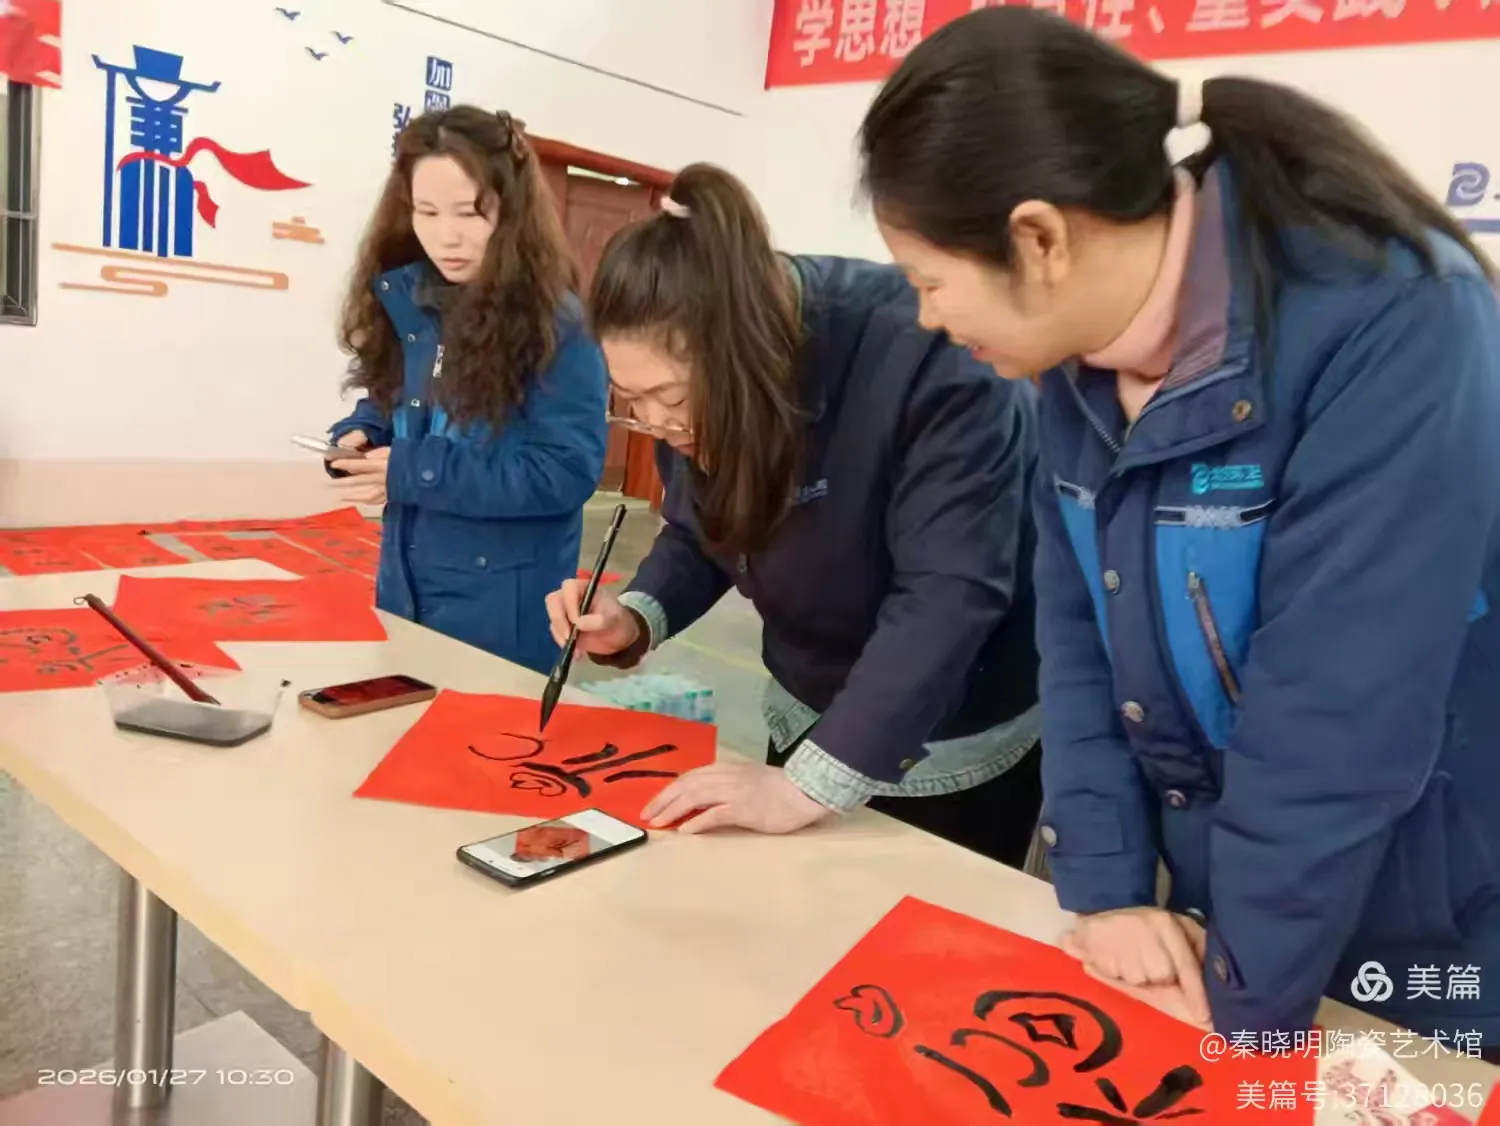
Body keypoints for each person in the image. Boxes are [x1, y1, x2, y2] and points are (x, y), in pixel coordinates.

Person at [859, 5, 1500, 1050]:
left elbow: (1338, 715)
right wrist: (1108, 884)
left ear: (1039, 238)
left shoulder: (1392, 320)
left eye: (931, 282)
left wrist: (1243, 1020)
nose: (928, 316)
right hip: (1237, 895)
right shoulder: (1072, 362)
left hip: (1416, 908)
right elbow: (1077, 634)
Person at [543, 164, 1043, 866]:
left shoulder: (930, 355)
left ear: (745, 354)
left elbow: (947, 596)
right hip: (806, 710)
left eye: (673, 399)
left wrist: (809, 786)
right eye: (633, 400)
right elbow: (703, 526)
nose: (657, 422)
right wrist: (633, 615)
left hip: (947, 737)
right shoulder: (692, 387)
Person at [326, 107, 608, 674]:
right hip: (406, 581)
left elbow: (565, 471)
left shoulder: (556, 324)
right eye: (426, 211)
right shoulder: (413, 298)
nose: (446, 235)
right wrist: (363, 433)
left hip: (504, 608)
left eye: (470, 212)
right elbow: (397, 396)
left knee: (484, 725)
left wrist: (414, 471)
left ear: (512, 211)